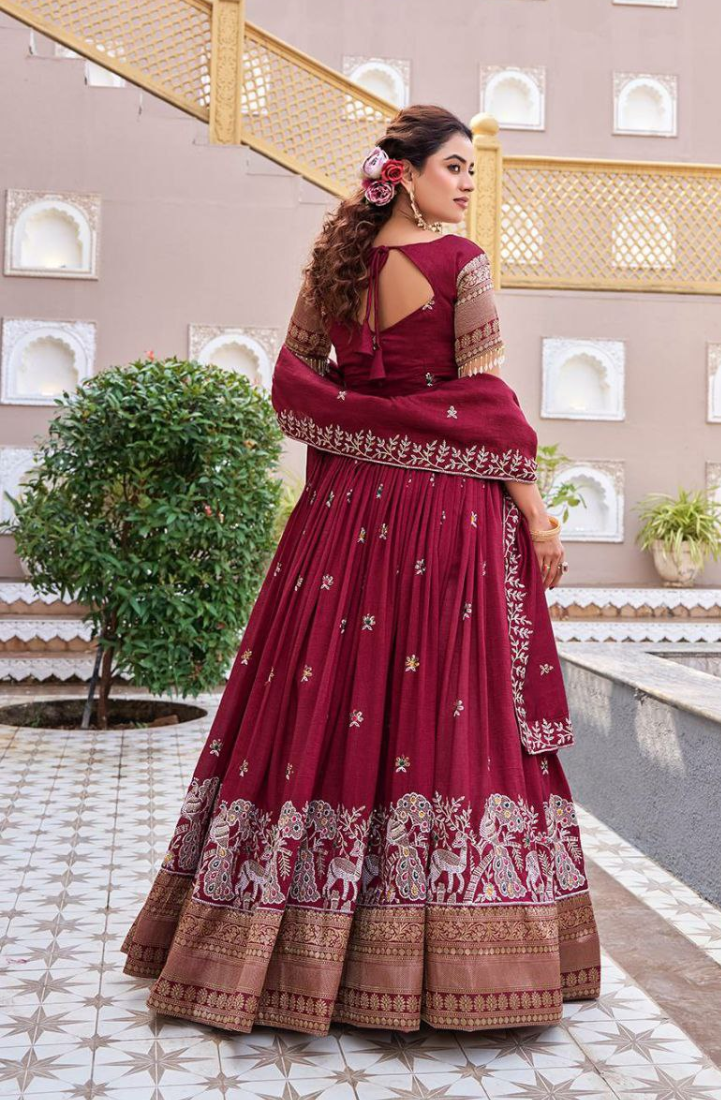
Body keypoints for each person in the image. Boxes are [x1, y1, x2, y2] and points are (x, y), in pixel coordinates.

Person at [121, 104, 601, 1036]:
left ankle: (274, 950)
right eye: (454, 167)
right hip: (443, 520)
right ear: (407, 175)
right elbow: (488, 403)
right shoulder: (461, 265)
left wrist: (366, 424)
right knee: (447, 712)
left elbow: (295, 383)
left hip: (342, 520)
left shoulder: (336, 264)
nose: (468, 183)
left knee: (322, 704)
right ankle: (447, 965)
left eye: (471, 168)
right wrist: (538, 517)